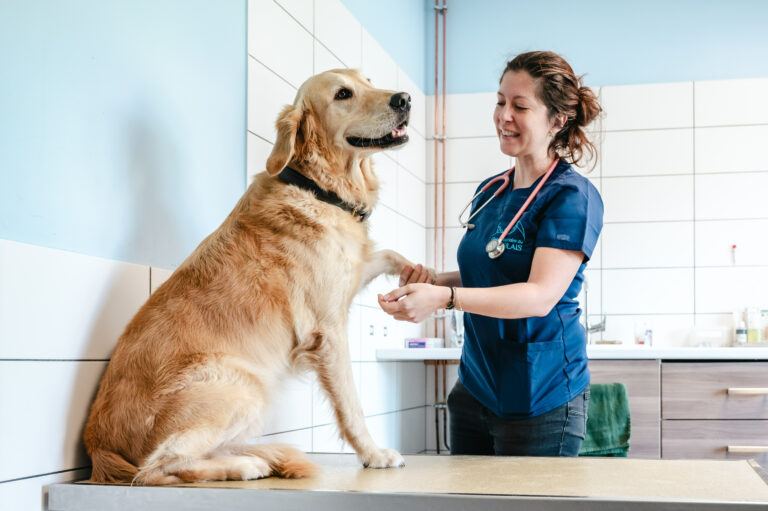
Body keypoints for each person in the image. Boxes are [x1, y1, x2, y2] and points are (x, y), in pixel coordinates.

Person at [378, 51, 603, 456]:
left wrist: (445, 299)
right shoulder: (491, 191)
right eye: (500, 102)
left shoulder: (571, 197)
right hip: (475, 388)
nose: (504, 116)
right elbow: (491, 270)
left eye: (520, 106)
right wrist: (434, 280)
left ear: (557, 119)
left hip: (542, 394)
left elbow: (539, 295)